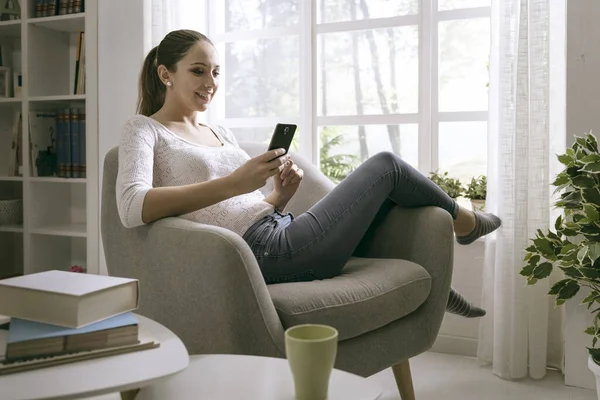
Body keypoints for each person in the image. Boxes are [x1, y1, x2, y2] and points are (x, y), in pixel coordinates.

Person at [116, 29, 501, 319]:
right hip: (261, 252)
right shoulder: (144, 129)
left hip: (278, 228)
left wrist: (277, 197)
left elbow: (235, 208)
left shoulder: (221, 133)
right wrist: (236, 182)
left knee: (384, 203)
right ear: (166, 74)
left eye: (216, 72)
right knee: (385, 166)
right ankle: (465, 222)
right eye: (198, 71)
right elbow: (132, 207)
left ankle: (440, 285)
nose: (211, 83)